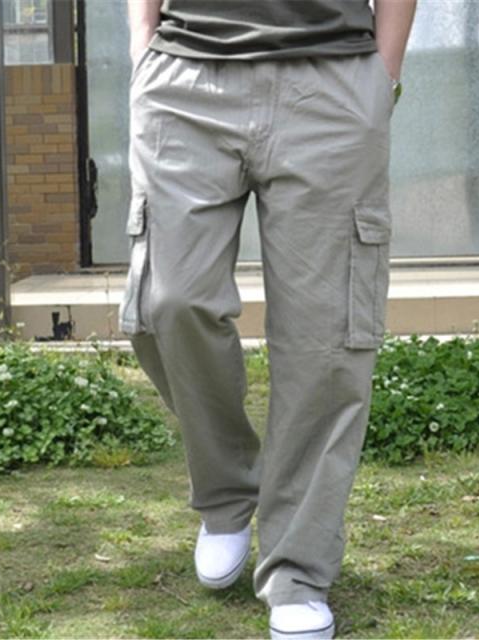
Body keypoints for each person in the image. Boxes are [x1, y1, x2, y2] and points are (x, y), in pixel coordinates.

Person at [120, 1, 416, 637]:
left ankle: (297, 568)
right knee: (170, 303)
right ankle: (227, 489)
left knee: (324, 337)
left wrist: (382, 74)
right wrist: (142, 47)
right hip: (185, 73)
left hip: (332, 74)